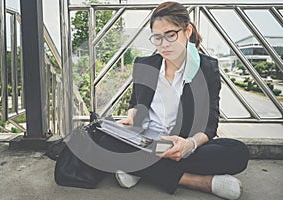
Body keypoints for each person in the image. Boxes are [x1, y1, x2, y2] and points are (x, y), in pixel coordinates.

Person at [97, 2, 249, 200]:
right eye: (157, 38)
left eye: (171, 35)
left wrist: (190, 144)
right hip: (146, 143)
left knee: (238, 152)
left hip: (180, 146)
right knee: (103, 137)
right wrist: (132, 116)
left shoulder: (206, 69)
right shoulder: (144, 65)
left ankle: (138, 169)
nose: (164, 44)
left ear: (187, 31)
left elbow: (211, 123)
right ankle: (195, 181)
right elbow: (135, 103)